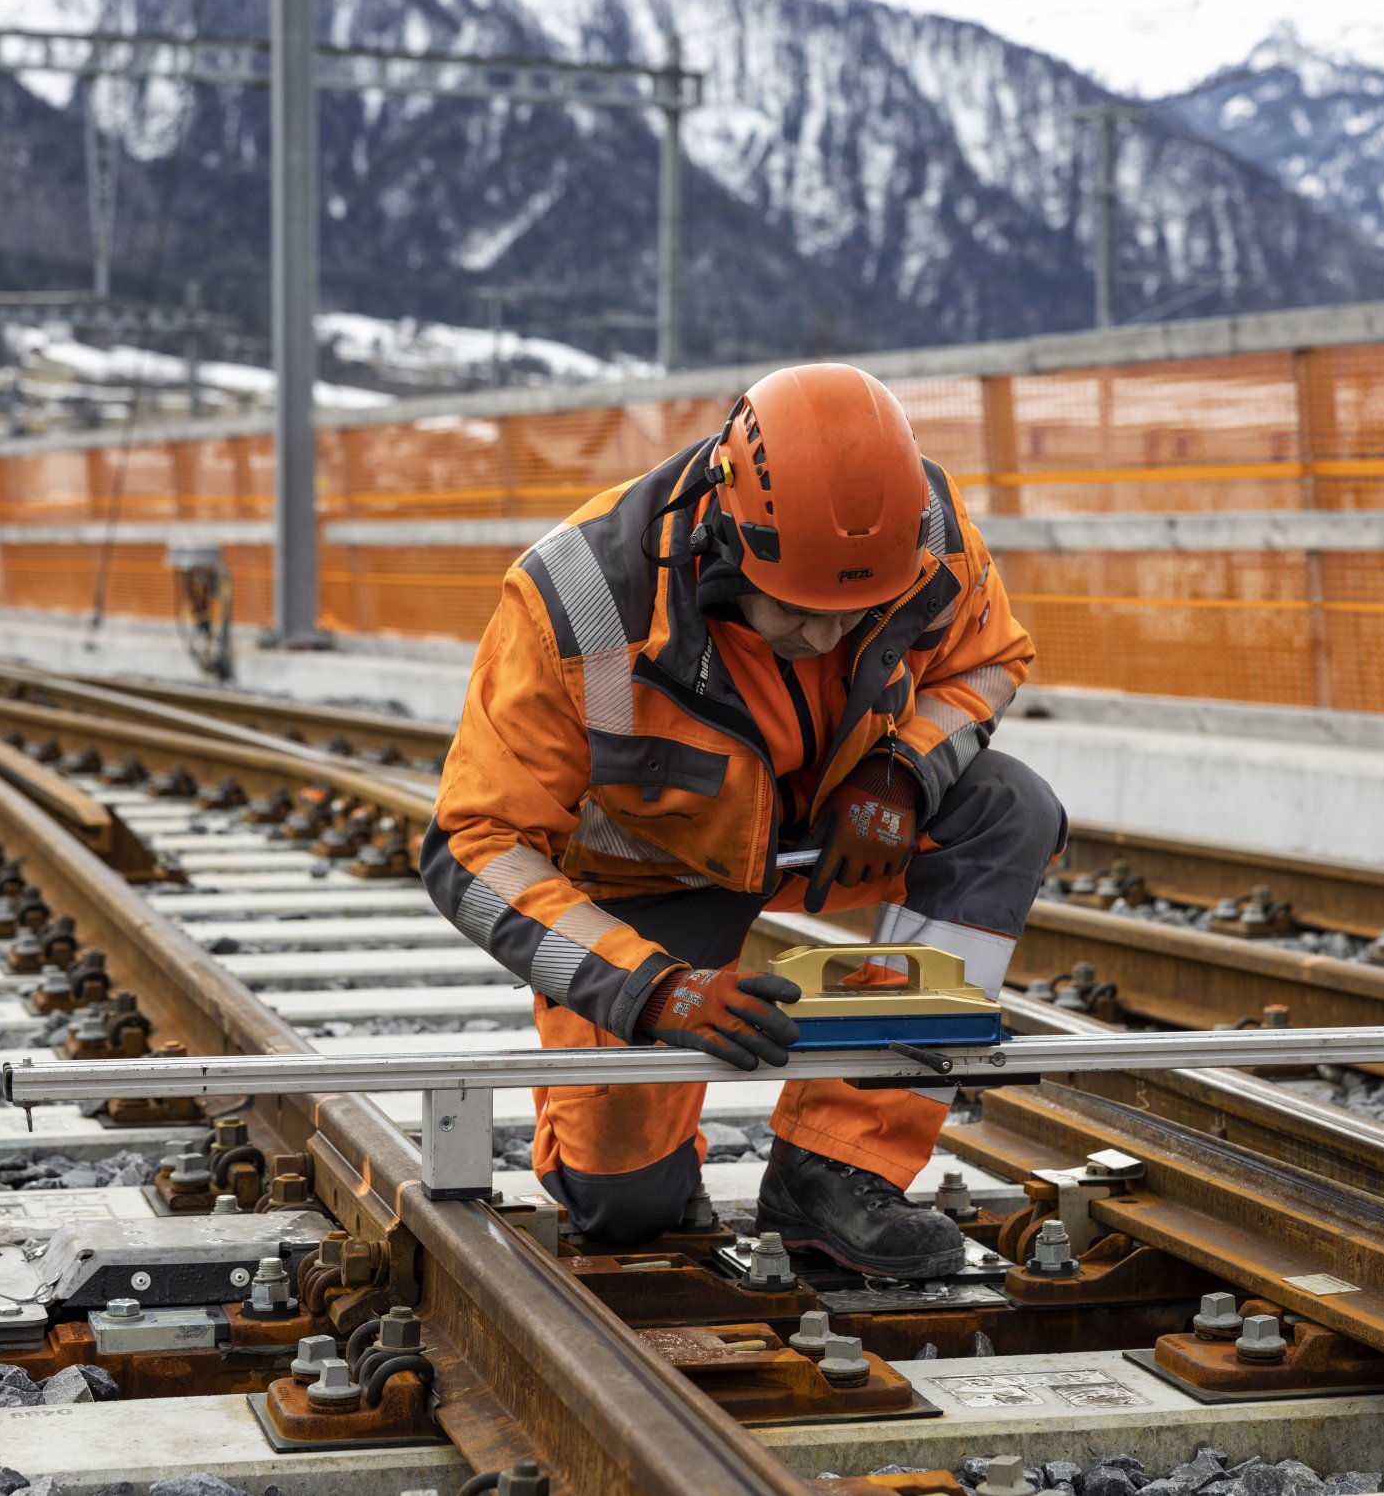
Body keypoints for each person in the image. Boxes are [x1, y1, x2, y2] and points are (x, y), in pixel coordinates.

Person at [422, 362, 1066, 1278]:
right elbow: (474, 848)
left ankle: (837, 1169)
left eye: (857, 618)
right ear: (727, 539)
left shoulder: (926, 538)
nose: (829, 641)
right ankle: (637, 1170)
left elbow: (988, 662)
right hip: (652, 892)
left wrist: (899, 771)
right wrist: (653, 990)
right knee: (624, 1211)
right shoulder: (578, 601)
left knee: (1008, 810)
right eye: (800, 618)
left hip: (837, 854)